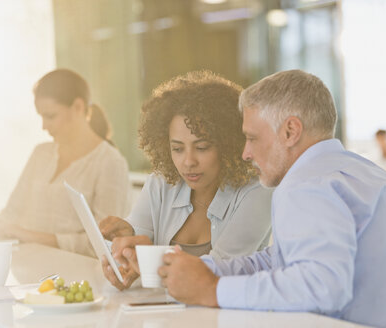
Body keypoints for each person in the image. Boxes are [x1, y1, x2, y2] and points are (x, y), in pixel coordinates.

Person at [154, 70, 386, 328]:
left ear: (290, 131)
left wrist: (212, 289)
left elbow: (323, 288)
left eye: (252, 138)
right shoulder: (366, 175)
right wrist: (207, 270)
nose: (245, 153)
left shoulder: (306, 185)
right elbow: (283, 257)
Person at [100, 70, 273, 290]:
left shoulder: (257, 191)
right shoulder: (161, 183)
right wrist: (122, 254)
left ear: (228, 145)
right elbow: (133, 250)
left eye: (202, 147)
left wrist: (149, 262)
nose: (188, 161)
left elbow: (222, 269)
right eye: (177, 149)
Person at [0, 69, 132, 257]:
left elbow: (104, 242)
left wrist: (26, 235)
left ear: (78, 107)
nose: (44, 126)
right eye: (41, 116)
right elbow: (10, 215)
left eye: (51, 116)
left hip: (77, 277)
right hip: (27, 270)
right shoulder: (41, 154)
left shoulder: (110, 163)